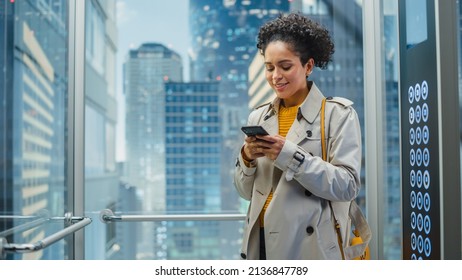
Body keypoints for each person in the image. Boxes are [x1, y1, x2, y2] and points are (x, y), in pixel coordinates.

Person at [233, 12, 362, 260]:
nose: (275, 76)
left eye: (285, 66)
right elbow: (244, 191)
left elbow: (347, 186)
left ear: (308, 66)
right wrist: (247, 157)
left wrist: (290, 155)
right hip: (259, 244)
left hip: (307, 247)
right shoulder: (258, 118)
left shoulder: (337, 115)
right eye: (269, 68)